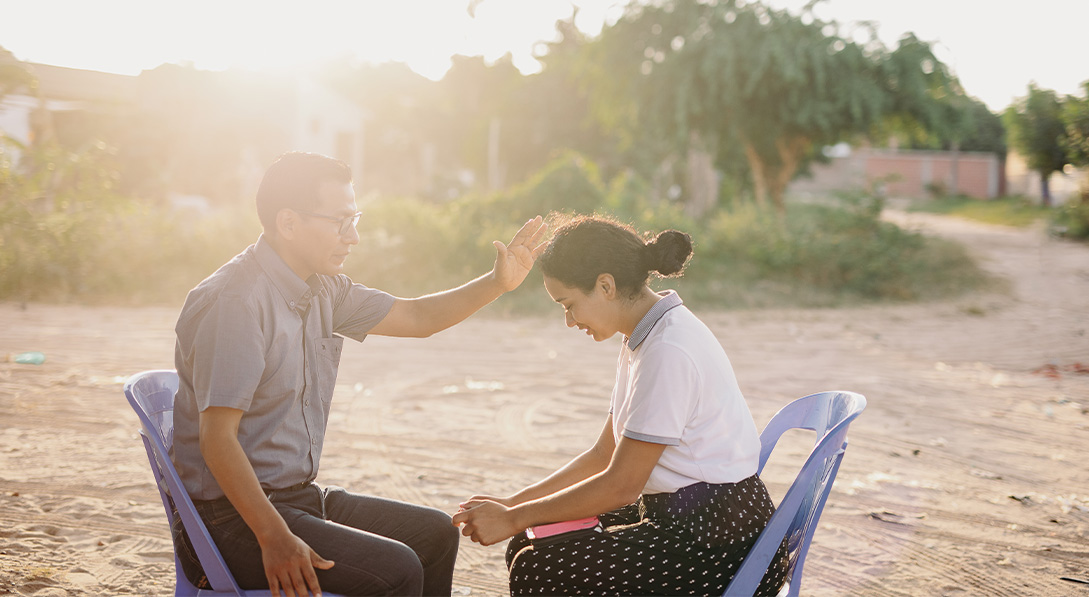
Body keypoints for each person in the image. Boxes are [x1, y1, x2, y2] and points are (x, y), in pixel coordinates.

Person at [171, 151, 546, 597]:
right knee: (399, 570)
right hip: (230, 519)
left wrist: (496, 284)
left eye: (356, 218)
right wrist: (274, 538)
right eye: (340, 221)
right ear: (288, 223)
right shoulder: (236, 303)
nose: (354, 236)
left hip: (293, 498)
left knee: (435, 536)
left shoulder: (322, 287)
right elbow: (217, 441)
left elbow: (417, 317)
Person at [452, 214, 788, 596]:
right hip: (689, 516)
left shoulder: (668, 349)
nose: (568, 320)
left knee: (539, 566)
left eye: (569, 304)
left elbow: (623, 485)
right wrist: (514, 505)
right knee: (530, 539)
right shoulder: (643, 338)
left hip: (721, 545)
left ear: (606, 285)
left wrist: (513, 516)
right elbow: (602, 454)